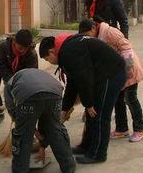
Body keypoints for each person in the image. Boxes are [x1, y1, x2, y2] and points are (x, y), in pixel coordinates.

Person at [39, 34, 126, 164]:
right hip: (101, 75)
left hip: (111, 74)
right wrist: (65, 108)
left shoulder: (69, 51)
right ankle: (85, 147)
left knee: (100, 116)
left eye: (47, 59)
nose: (50, 62)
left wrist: (88, 103)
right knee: (91, 115)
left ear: (52, 51)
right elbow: (72, 83)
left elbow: (84, 78)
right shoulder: (67, 50)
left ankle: (98, 154)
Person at [78, 18, 143, 142]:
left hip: (129, 70)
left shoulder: (110, 32)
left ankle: (140, 129)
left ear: (93, 28)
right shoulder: (97, 38)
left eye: (87, 35)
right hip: (117, 73)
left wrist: (128, 71)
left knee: (131, 99)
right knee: (118, 100)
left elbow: (127, 49)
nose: (87, 38)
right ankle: (122, 129)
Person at [4, 68, 76, 173]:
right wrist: (41, 141)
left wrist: (25, 125)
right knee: (55, 129)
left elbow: (12, 110)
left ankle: (20, 170)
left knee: (23, 135)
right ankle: (68, 166)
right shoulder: (37, 74)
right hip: (55, 93)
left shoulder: (9, 84)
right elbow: (45, 122)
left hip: (29, 95)